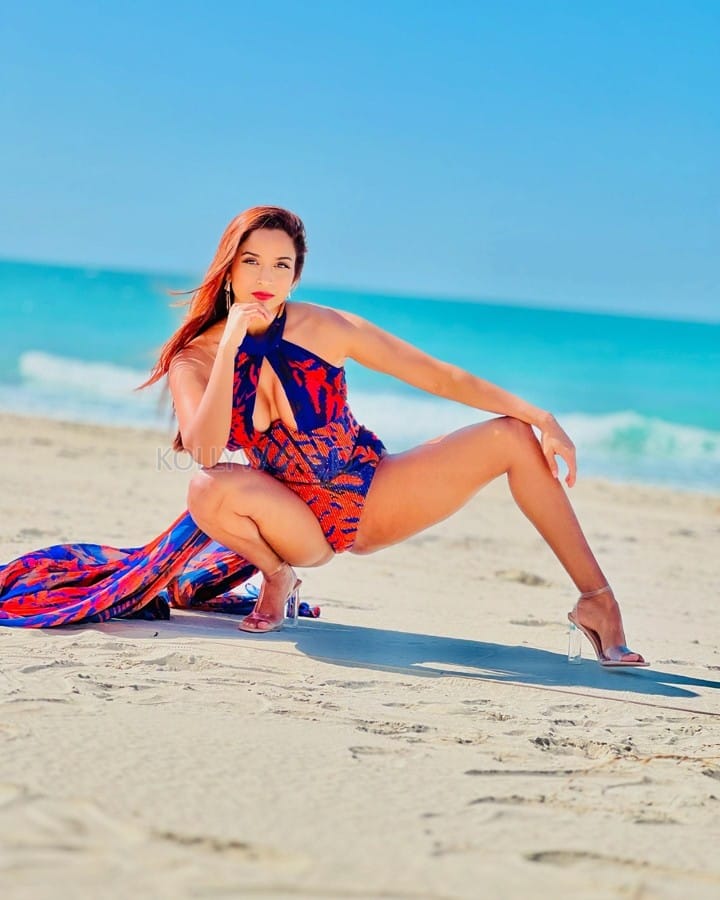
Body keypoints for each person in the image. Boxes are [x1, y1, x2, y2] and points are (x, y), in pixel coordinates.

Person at [0, 206, 646, 668]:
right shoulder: (194, 358)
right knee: (205, 486)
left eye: (282, 264)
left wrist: (541, 416)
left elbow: (437, 375)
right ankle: (276, 577)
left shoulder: (327, 327)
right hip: (294, 523)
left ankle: (598, 603)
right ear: (229, 269)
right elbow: (205, 448)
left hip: (373, 492)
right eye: (252, 260)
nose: (267, 275)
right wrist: (230, 345)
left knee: (511, 436)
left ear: (296, 275)